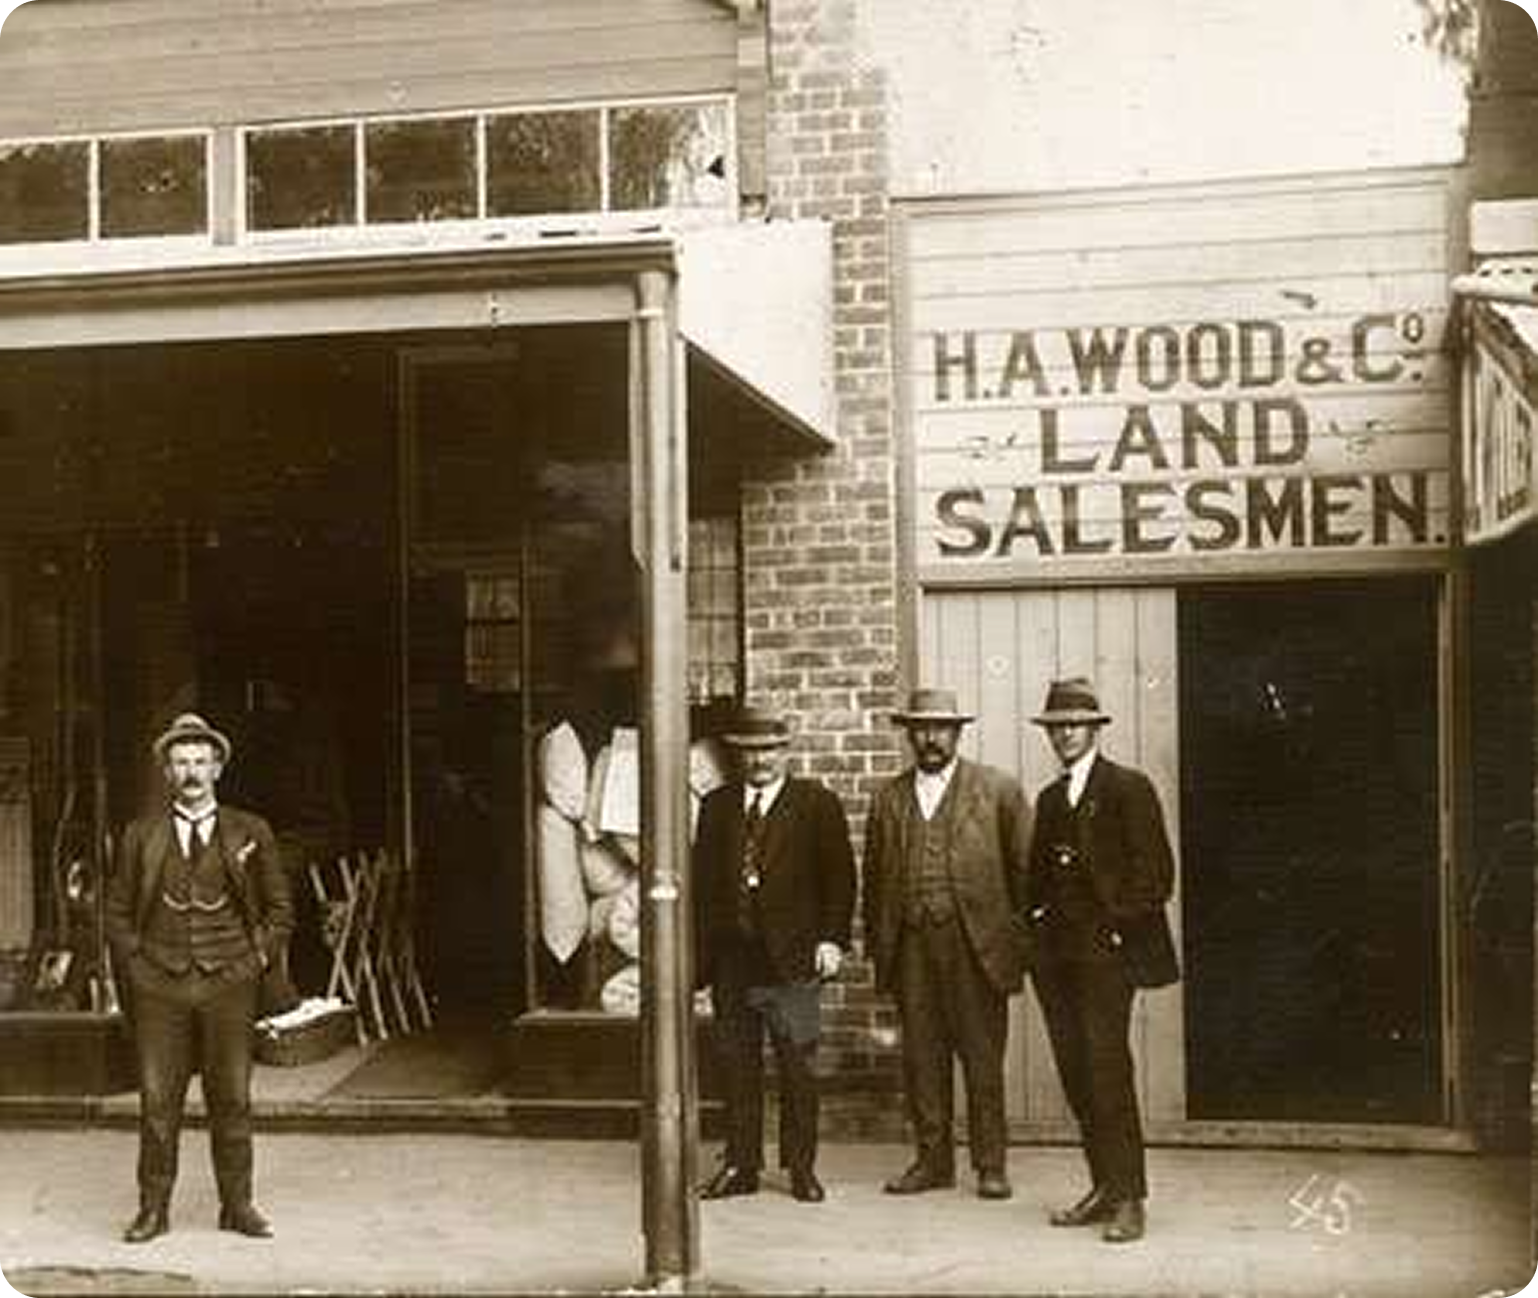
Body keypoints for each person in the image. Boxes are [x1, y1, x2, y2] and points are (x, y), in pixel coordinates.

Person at [106, 712, 293, 1243]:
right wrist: (138, 965)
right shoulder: (141, 835)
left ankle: (237, 1206)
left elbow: (281, 911)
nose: (191, 773)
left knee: (231, 1097)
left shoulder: (250, 831)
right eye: (181, 763)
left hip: (228, 983)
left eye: (200, 762)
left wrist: (254, 961)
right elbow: (116, 913)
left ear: (218, 769)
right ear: (167, 772)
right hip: (158, 984)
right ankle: (153, 1210)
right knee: (157, 1100)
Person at [1021, 678, 1179, 1244]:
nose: (1064, 734)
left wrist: (1116, 930)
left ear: (1094, 729)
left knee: (1107, 1069)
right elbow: (1034, 882)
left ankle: (1130, 1198)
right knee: (1076, 1073)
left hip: (1107, 957)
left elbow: (1156, 875)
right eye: (1055, 726)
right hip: (1056, 961)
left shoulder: (1128, 789)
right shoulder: (1048, 799)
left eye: (1074, 725)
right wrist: (1035, 932)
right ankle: (1104, 1186)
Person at [862, 688, 1032, 1201]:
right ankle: (933, 1160)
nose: (930, 738)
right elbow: (874, 882)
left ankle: (990, 1164)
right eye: (921, 728)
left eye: (941, 728)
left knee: (982, 1058)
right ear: (909, 734)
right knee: (922, 1058)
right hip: (912, 945)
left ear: (958, 733)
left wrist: (1015, 944)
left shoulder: (996, 789)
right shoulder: (888, 799)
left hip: (975, 946)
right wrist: (881, 948)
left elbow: (1025, 872)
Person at [693, 704, 856, 1203]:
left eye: (768, 750)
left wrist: (831, 939)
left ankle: (800, 1167)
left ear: (786, 752)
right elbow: (702, 887)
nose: (759, 760)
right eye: (749, 752)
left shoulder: (815, 804)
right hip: (733, 960)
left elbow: (840, 879)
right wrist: (701, 962)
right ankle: (741, 1164)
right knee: (736, 1065)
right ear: (737, 756)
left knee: (796, 1067)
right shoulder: (718, 806)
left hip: (791, 960)